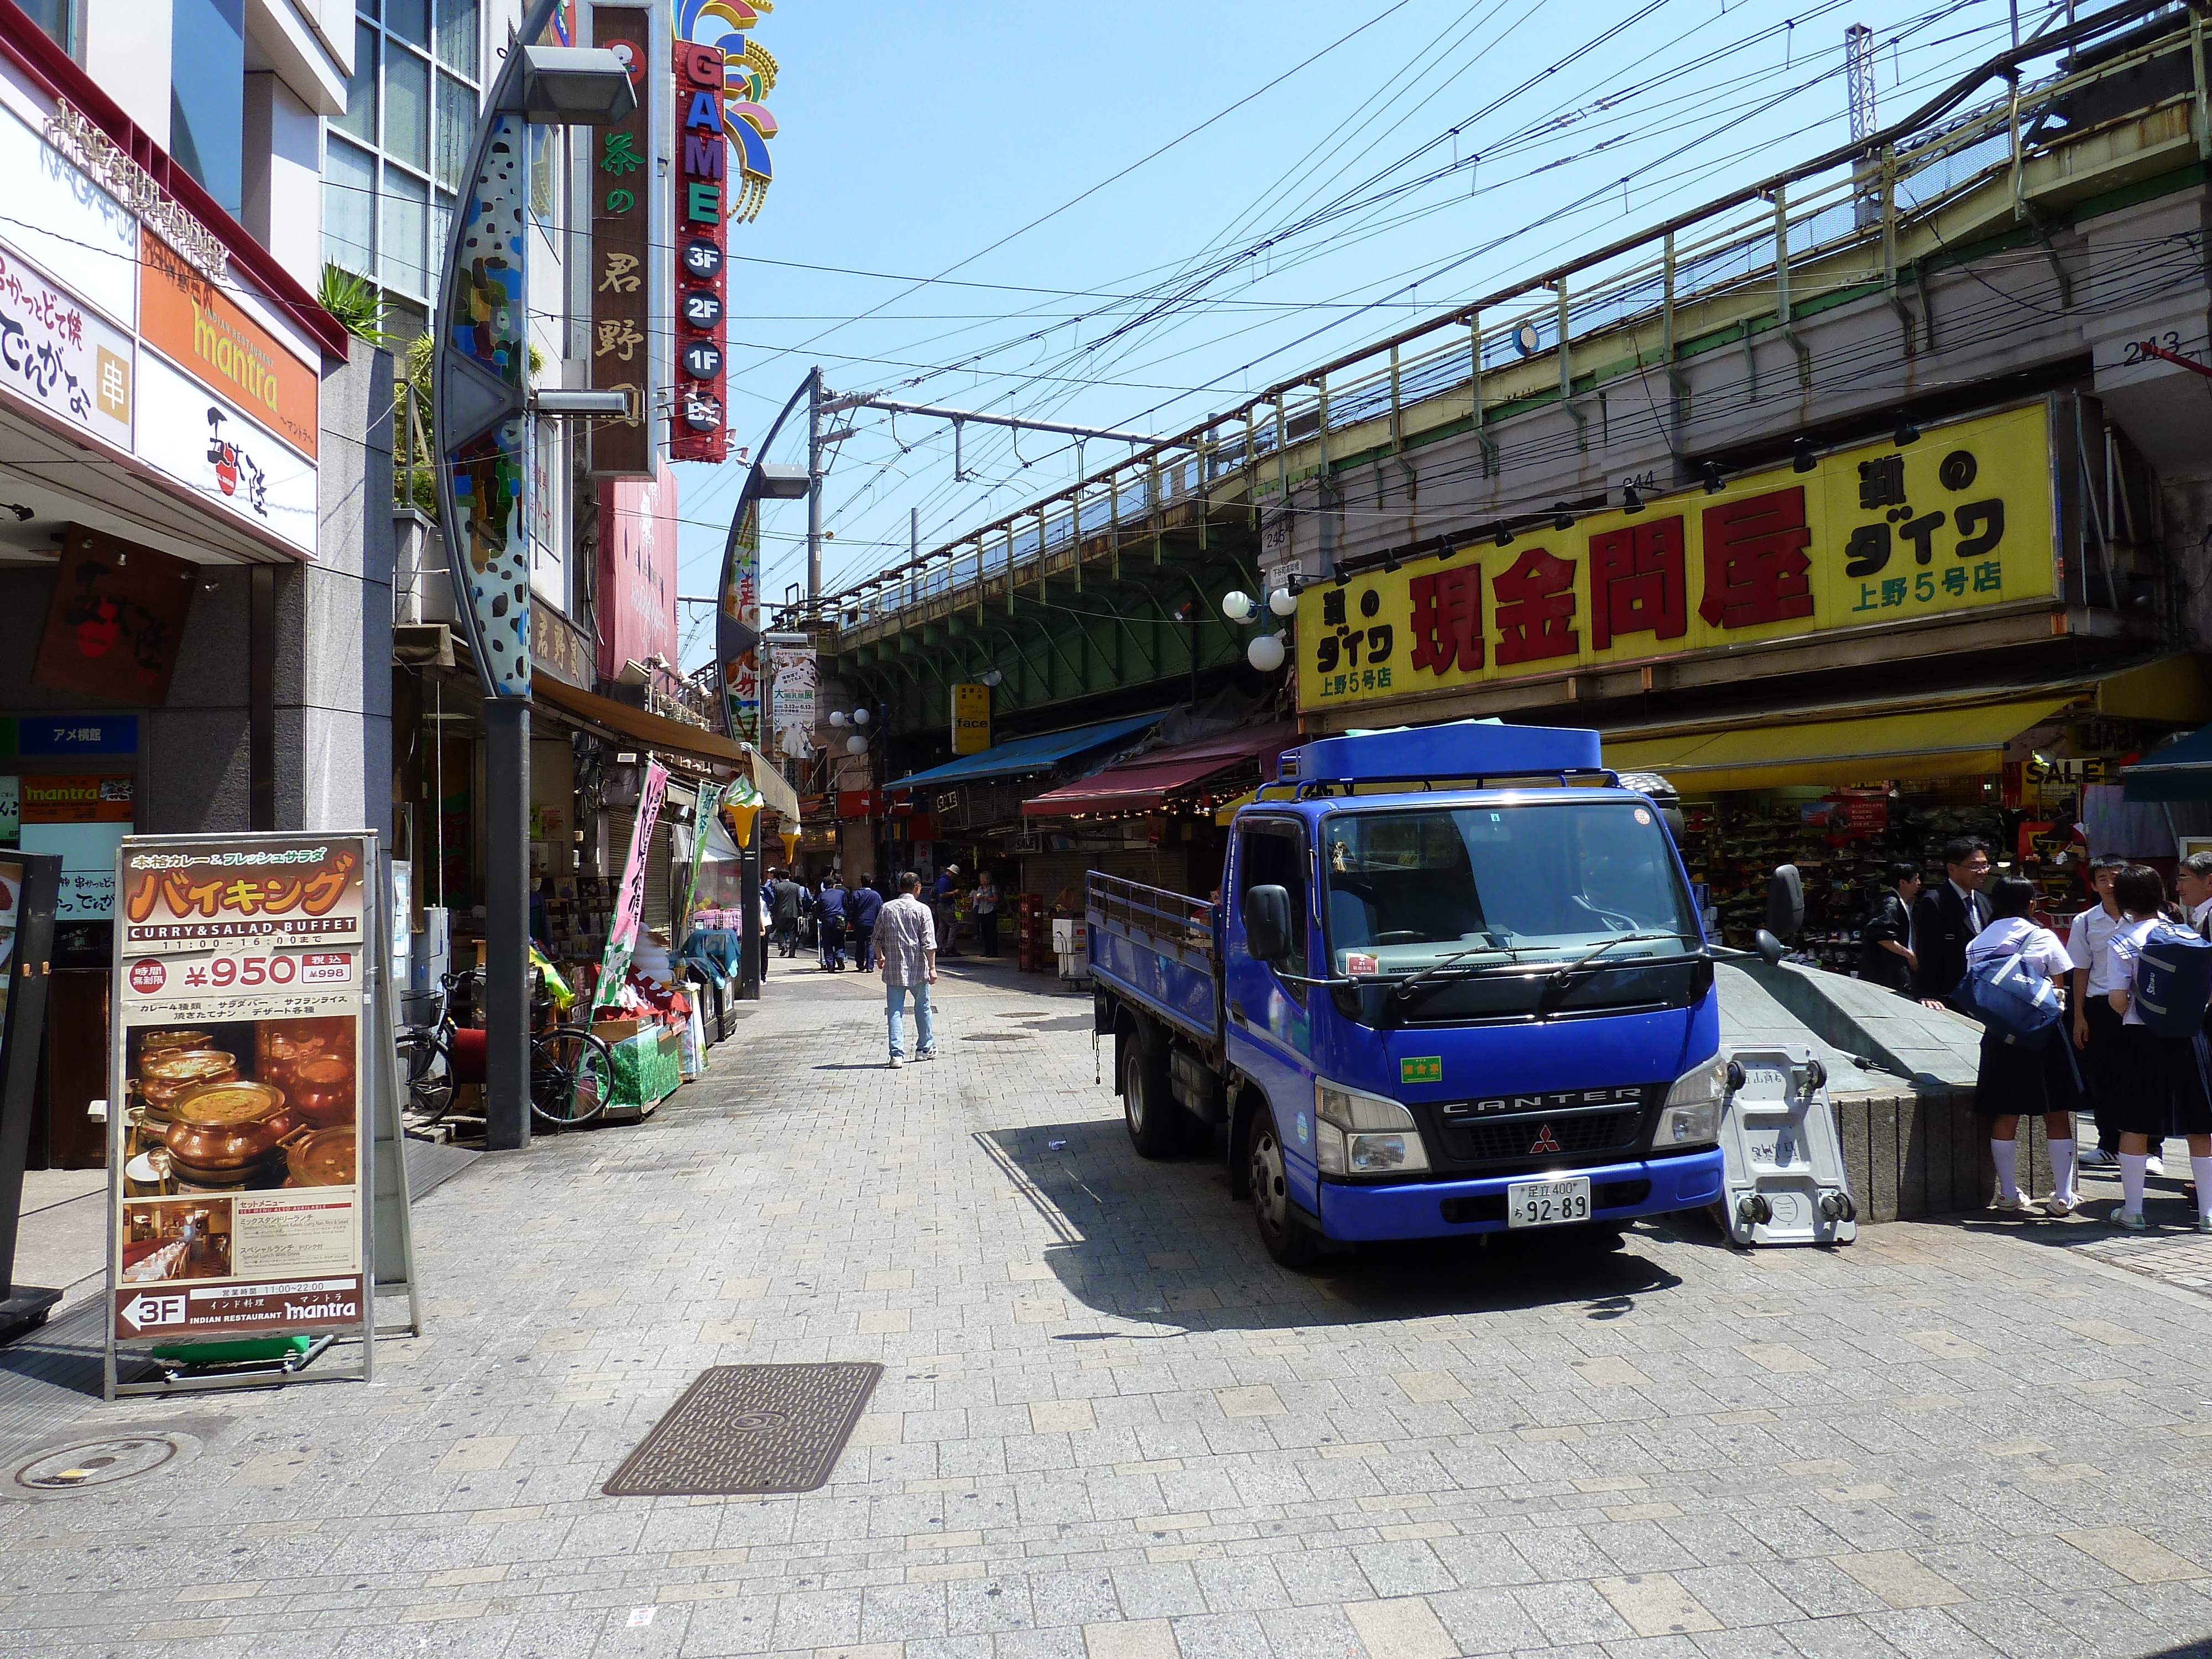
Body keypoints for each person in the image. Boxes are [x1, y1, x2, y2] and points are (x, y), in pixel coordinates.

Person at [1965, 877, 2085, 1216]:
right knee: (2057, 1109)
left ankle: (2006, 1193)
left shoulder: (1977, 943)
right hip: (2045, 1032)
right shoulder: (2042, 935)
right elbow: (2060, 981)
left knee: (2006, 1110)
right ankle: (2062, 1195)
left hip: (2001, 1034)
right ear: (2031, 903)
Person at [2104, 863, 2212, 1231]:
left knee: (2135, 1122)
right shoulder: (2186, 934)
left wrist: (2138, 1007)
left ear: (2123, 900)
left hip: (2143, 1036)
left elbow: (2118, 998)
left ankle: (2133, 1210)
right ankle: (2208, 1214)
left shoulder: (2122, 940)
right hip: (2190, 1035)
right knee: (2201, 1124)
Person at [2069, 857, 2129, 1170]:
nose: (2110, 884)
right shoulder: (2086, 922)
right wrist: (2079, 1016)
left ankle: (2153, 1148)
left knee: (2142, 1075)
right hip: (2099, 1005)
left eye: (2116, 877)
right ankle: (2108, 1144)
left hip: (2138, 1006)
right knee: (2103, 1076)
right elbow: (2080, 971)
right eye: (2102, 878)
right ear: (2093, 885)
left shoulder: (2147, 918)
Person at [1912, 836, 1992, 1010]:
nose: (1982, 871)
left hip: (1980, 995)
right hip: (1947, 998)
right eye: (1974, 866)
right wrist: (1928, 993)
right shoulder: (1935, 902)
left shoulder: (1983, 901)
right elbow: (1928, 952)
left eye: (1984, 865)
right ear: (1952, 868)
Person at [875, 870, 938, 1066]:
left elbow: (876, 938)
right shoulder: (922, 910)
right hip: (918, 968)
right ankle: (924, 1048)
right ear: (918, 888)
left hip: (893, 968)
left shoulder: (887, 909)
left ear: (900, 888)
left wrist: (880, 957)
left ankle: (896, 1054)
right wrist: (933, 967)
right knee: (923, 1008)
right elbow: (929, 943)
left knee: (895, 1011)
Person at [1858, 862, 1921, 994]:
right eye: (1915, 879)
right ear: (1903, 882)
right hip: (1885, 974)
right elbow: (1882, 936)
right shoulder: (1891, 904)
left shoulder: (1903, 903)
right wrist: (1909, 955)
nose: (1919, 883)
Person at [848, 874, 883, 973]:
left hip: (859, 922)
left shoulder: (856, 894)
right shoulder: (876, 895)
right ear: (871, 882)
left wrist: (850, 921)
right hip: (872, 923)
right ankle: (870, 966)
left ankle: (860, 963)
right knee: (871, 944)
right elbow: (881, 909)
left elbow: (851, 910)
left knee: (860, 943)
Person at [768, 868, 804, 958]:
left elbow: (775, 901)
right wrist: (801, 912)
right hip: (793, 913)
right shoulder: (796, 886)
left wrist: (773, 911)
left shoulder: (777, 887)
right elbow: (799, 900)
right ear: (789, 876)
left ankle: (783, 946)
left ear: (780, 877)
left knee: (780, 930)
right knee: (793, 933)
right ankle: (792, 953)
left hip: (781, 913)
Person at [816, 874, 848, 972]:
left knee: (828, 943)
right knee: (840, 940)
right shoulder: (841, 893)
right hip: (840, 919)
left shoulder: (821, 896)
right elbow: (846, 906)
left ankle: (830, 964)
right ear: (834, 884)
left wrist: (822, 918)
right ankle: (839, 955)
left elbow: (818, 910)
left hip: (827, 920)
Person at [933, 864, 963, 957]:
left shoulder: (943, 880)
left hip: (942, 905)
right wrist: (954, 893)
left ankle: (938, 948)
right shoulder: (944, 881)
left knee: (943, 927)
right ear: (951, 873)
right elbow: (942, 895)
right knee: (954, 925)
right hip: (944, 905)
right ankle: (950, 948)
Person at [972, 869, 1000, 958]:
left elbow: (996, 900)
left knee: (991, 932)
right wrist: (978, 899)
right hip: (982, 911)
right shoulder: (980, 889)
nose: (981, 880)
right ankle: (987, 950)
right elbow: (978, 901)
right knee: (984, 932)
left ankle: (993, 951)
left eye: (982, 878)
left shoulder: (992, 888)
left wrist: (986, 898)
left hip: (990, 910)